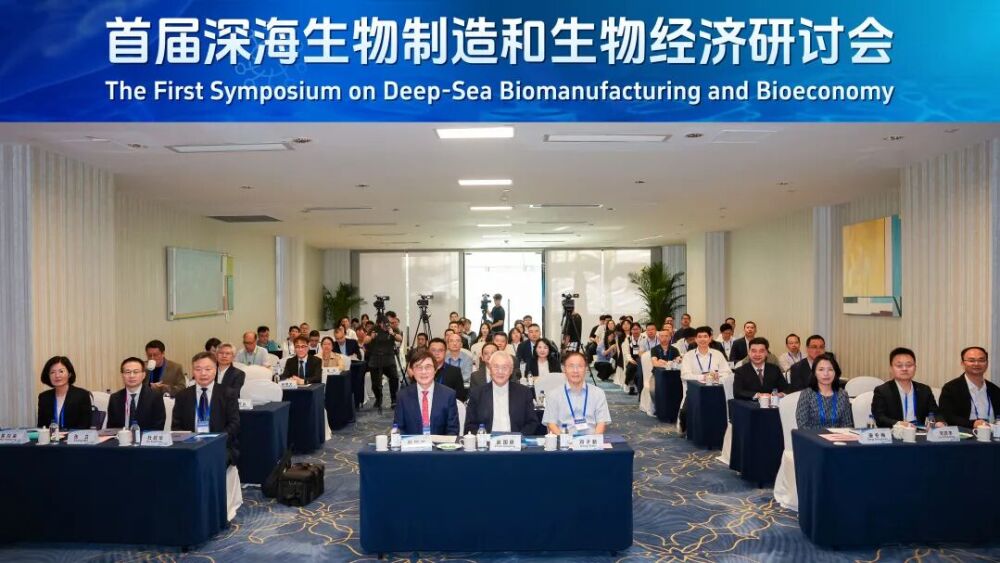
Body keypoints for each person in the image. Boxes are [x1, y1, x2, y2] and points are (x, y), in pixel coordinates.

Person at [172, 352, 240, 465]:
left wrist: (214, 441)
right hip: (190, 446)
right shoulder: (182, 396)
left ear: (215, 370)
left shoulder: (228, 393)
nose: (203, 373)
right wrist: (190, 441)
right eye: (198, 369)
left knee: (210, 462)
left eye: (208, 369)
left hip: (220, 445)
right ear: (193, 371)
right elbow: (176, 426)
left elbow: (234, 424)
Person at [464, 352, 542, 435]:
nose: (500, 371)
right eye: (496, 367)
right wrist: (483, 438)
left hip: (516, 440)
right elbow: (470, 425)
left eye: (505, 367)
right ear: (490, 369)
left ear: (511, 370)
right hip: (487, 441)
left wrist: (518, 437)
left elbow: (532, 422)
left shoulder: (524, 392)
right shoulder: (477, 393)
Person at [542, 351, 612, 435]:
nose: (575, 371)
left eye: (580, 366)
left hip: (591, 440)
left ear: (586, 369)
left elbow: (602, 422)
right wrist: (564, 440)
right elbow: (551, 424)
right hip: (564, 440)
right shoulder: (553, 394)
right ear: (564, 369)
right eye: (571, 366)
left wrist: (594, 440)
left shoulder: (598, 393)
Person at [392, 349, 460, 435]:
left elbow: (453, 429)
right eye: (419, 367)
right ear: (412, 371)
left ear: (435, 370)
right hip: (412, 443)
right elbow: (398, 429)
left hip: (440, 443)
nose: (423, 372)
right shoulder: (402, 396)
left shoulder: (448, 395)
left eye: (428, 367)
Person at [871, 347, 940, 428]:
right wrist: (899, 424)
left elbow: (935, 413)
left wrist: (939, 422)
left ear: (915, 367)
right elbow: (880, 417)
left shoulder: (924, 390)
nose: (904, 369)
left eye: (909, 365)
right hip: (896, 432)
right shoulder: (882, 391)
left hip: (921, 432)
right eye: (899, 365)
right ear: (891, 369)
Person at [938, 346, 1000, 428]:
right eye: (971, 360)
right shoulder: (951, 388)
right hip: (965, 432)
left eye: (981, 360)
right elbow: (947, 416)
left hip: (993, 432)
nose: (976, 364)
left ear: (987, 363)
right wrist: (972, 424)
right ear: (963, 363)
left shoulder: (995, 390)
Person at [794, 353, 853, 429]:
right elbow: (802, 426)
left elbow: (847, 424)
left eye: (830, 369)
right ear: (814, 373)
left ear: (835, 373)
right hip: (812, 435)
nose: (826, 374)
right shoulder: (807, 394)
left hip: (838, 436)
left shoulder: (843, 394)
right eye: (821, 369)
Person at [107, 357, 166, 430]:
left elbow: (158, 427)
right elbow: (111, 428)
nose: (132, 376)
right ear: (122, 375)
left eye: (136, 372)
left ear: (143, 375)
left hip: (145, 436)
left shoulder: (155, 397)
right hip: (120, 436)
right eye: (128, 372)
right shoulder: (114, 398)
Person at [36, 356, 93, 429]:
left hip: (74, 436)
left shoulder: (82, 395)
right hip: (50, 436)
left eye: (61, 371)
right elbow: (41, 426)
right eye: (52, 372)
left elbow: (85, 425)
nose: (57, 375)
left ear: (69, 374)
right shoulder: (44, 397)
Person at [367, 317, 401, 409]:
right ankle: (378, 398)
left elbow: (400, 338)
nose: (386, 325)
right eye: (384, 323)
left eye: (387, 323)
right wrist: (371, 337)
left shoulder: (392, 329)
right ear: (379, 324)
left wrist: (392, 333)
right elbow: (365, 340)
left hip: (389, 359)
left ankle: (394, 399)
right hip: (375, 360)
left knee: (394, 378)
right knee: (375, 383)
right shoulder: (374, 329)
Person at [623, 322, 643, 394]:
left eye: (637, 329)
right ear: (631, 330)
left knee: (638, 369)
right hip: (632, 359)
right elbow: (626, 352)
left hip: (642, 359)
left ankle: (635, 385)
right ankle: (630, 385)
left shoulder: (644, 338)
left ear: (640, 329)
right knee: (631, 367)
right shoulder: (628, 339)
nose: (635, 331)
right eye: (633, 329)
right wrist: (630, 360)